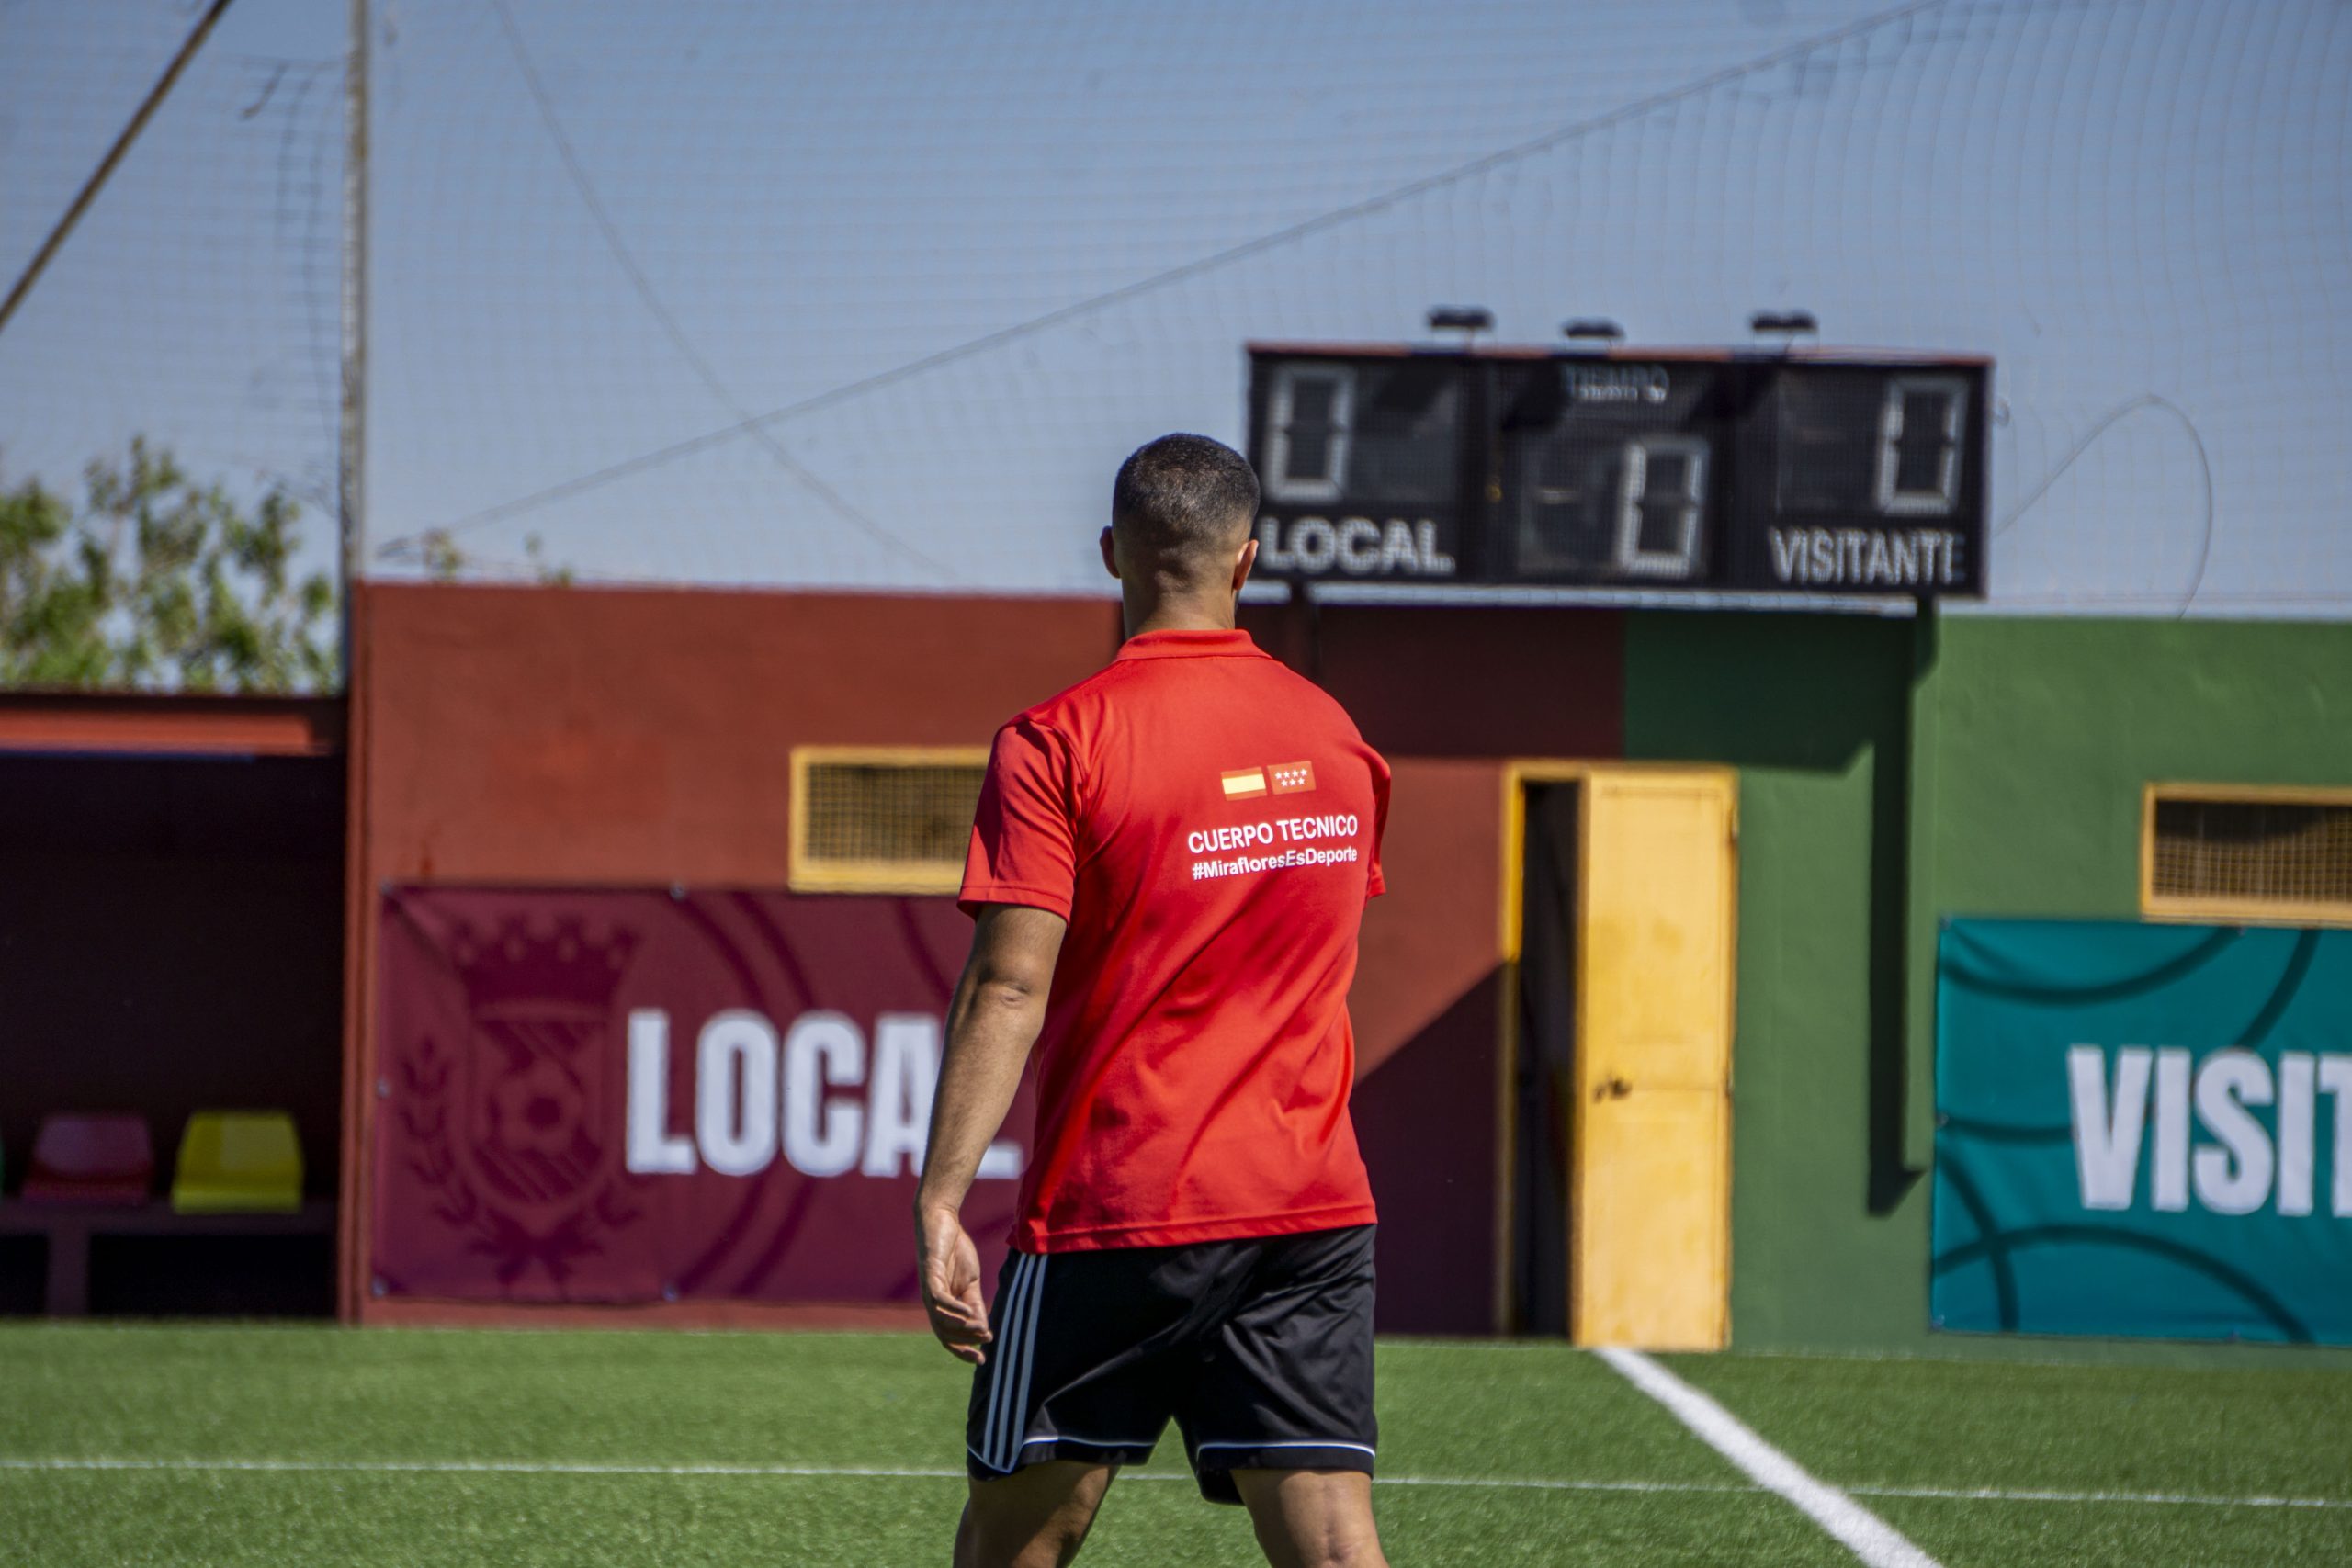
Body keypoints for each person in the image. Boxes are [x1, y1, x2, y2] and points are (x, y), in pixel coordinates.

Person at [914, 433, 1394, 1568]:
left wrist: (941, 1197)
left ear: (1110, 555)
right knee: (1335, 1546)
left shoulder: (1055, 742)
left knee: (1019, 1543)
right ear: (1247, 560)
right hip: (1308, 1206)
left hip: (1118, 1206)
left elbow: (1009, 983)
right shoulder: (1337, 741)